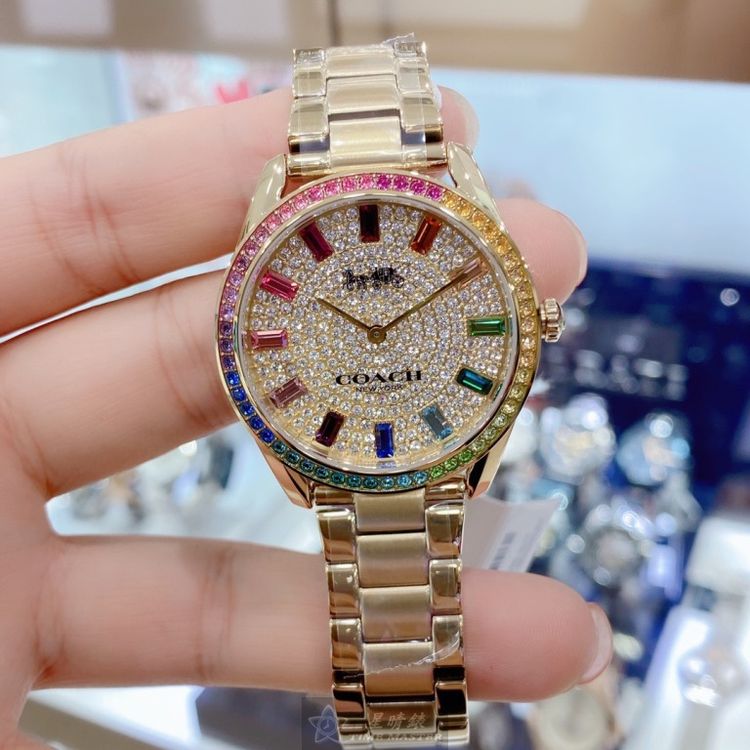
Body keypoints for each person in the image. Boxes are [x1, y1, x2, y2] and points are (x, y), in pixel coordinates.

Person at [0, 87, 610, 749]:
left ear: (535, 322)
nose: (377, 336)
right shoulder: (285, 237)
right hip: (350, 454)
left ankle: (404, 719)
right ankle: (401, 720)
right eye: (367, 330)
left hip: (415, 450)